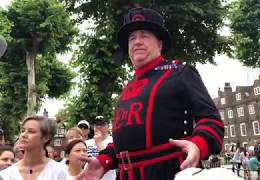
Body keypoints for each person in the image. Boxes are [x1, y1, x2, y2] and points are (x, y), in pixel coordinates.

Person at [77, 7, 224, 180]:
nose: (137, 41)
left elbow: (212, 120)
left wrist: (198, 145)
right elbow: (127, 140)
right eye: (132, 38)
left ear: (159, 44)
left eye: (144, 35)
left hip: (171, 172)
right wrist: (104, 161)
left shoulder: (180, 72)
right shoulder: (127, 89)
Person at [0, 116, 68, 179]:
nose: (23, 135)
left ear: (46, 137)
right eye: (23, 131)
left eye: (31, 131)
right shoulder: (6, 174)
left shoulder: (59, 171)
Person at [85, 115, 115, 180]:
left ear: (107, 126)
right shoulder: (87, 143)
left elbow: (109, 161)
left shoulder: (113, 141)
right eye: (96, 125)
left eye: (101, 124)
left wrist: (99, 143)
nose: (98, 127)